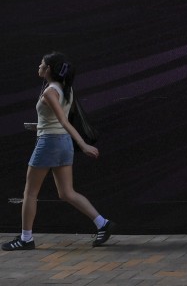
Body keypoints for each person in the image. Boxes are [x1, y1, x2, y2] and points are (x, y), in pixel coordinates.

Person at [2, 52, 115, 251]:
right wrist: (39, 126)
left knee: (30, 192)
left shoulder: (49, 92)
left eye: (42, 64)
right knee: (66, 192)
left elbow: (63, 121)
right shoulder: (65, 89)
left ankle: (26, 238)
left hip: (50, 143)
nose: (38, 66)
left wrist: (83, 145)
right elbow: (58, 120)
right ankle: (102, 223)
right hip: (62, 143)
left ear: (48, 70)